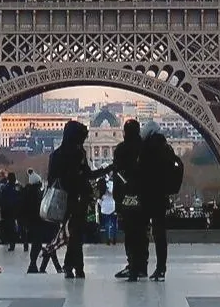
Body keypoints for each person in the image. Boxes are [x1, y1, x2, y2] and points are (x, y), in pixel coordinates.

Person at [47, 121, 102, 280]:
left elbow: (51, 180)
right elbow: (88, 175)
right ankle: (75, 267)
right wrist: (108, 169)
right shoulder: (79, 154)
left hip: (63, 200)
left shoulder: (57, 155)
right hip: (79, 198)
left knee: (73, 234)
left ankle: (72, 266)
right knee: (76, 234)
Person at [111, 119, 150, 280]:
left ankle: (132, 265)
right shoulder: (145, 148)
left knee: (130, 233)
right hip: (144, 197)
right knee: (142, 233)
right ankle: (142, 266)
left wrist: (117, 199)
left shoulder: (121, 149)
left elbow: (117, 175)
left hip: (127, 197)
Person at [141, 130, 183, 280]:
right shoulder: (167, 153)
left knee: (142, 232)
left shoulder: (146, 151)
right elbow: (178, 167)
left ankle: (140, 265)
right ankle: (161, 268)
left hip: (146, 197)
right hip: (161, 197)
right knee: (160, 235)